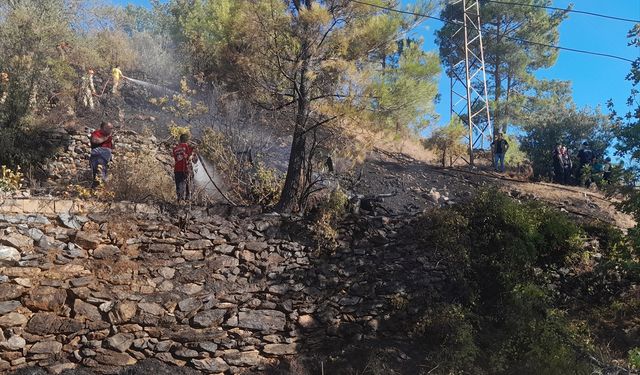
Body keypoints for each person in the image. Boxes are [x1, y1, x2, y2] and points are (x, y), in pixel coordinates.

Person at [90, 121, 114, 188]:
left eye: (112, 128)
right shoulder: (97, 133)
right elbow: (95, 141)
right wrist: (106, 138)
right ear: (104, 128)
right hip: (98, 152)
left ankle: (101, 187)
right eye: (110, 128)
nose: (111, 130)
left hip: (106, 154)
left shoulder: (109, 136)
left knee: (103, 170)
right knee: (96, 171)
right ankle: (96, 187)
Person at [173, 133, 196, 201]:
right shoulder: (187, 147)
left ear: (180, 140)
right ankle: (187, 200)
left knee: (179, 186)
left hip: (177, 170)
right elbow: (190, 157)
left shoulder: (175, 148)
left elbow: (176, 158)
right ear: (187, 140)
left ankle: (180, 201)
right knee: (188, 184)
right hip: (186, 169)